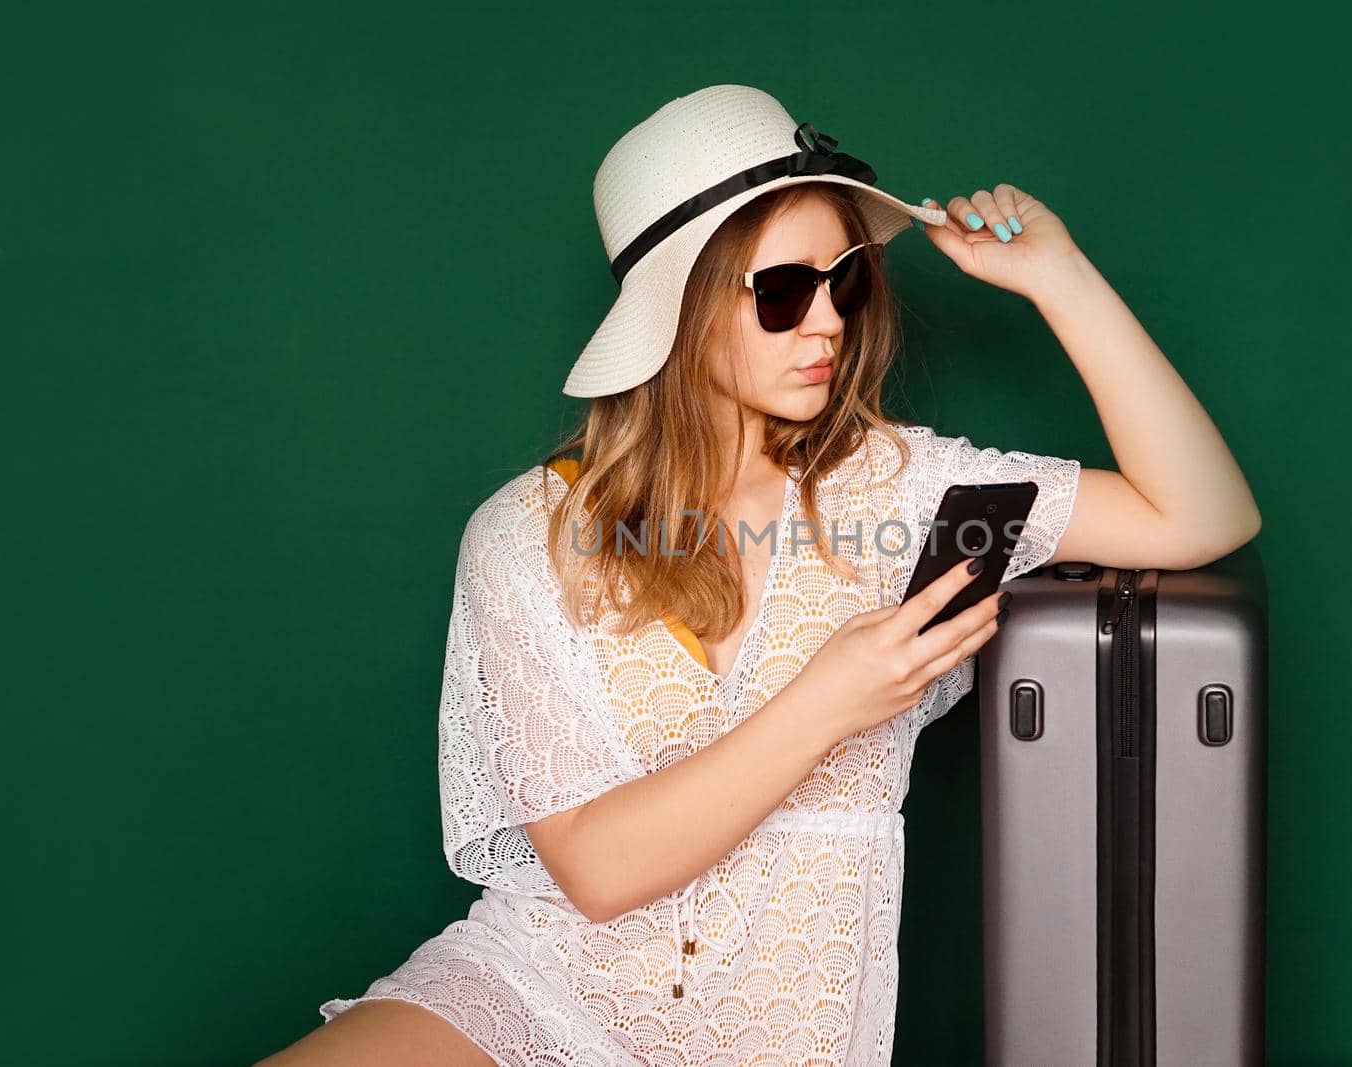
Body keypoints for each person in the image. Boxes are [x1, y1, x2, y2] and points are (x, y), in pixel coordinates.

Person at [258, 83, 1261, 1067]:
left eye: (847, 279)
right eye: (781, 292)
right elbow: (599, 871)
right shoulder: (528, 533)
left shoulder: (909, 491)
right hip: (533, 993)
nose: (826, 321)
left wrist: (1063, 280)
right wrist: (830, 696)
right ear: (681, 309)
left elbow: (1202, 512)